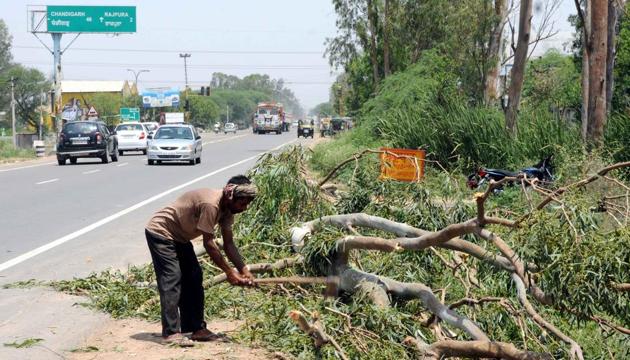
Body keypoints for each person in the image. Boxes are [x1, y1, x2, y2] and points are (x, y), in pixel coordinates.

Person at [145, 175, 257, 346]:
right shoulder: (210, 204)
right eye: (242, 203)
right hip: (161, 231)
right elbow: (209, 244)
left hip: (180, 237)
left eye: (247, 203)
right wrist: (229, 272)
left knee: (194, 277)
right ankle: (171, 333)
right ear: (230, 195)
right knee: (172, 278)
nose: (244, 208)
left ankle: (196, 329)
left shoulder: (228, 210)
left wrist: (244, 270)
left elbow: (228, 244)